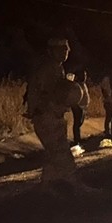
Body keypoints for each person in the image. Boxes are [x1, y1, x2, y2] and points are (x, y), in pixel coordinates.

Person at [24, 37, 84, 190]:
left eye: (66, 48)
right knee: (61, 152)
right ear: (51, 51)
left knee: (53, 153)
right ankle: (74, 184)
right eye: (61, 49)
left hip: (51, 116)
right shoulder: (48, 69)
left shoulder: (56, 67)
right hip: (46, 116)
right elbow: (48, 95)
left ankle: (47, 186)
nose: (65, 52)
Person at [68, 68, 89, 151]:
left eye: (85, 75)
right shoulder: (76, 85)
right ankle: (76, 140)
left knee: (79, 123)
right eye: (83, 75)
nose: (85, 77)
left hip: (82, 106)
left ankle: (78, 139)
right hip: (78, 106)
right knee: (77, 124)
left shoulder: (81, 84)